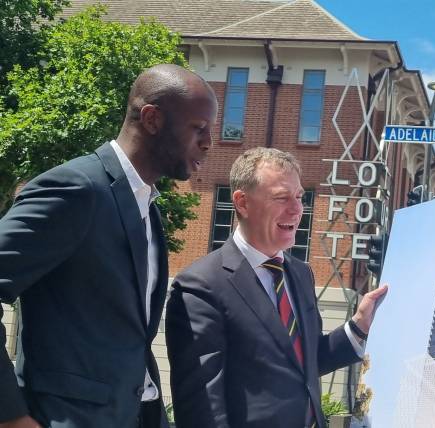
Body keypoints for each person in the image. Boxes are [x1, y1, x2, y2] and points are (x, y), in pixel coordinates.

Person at [0, 64, 217, 428]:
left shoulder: (147, 207)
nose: (209, 142)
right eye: (199, 128)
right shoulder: (76, 189)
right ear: (152, 119)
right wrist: (10, 415)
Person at [165, 147, 388, 428]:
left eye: (299, 197)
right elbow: (202, 408)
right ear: (242, 203)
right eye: (282, 198)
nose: (297, 210)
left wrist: (357, 327)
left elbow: (304, 363)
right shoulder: (200, 286)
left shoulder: (300, 273)